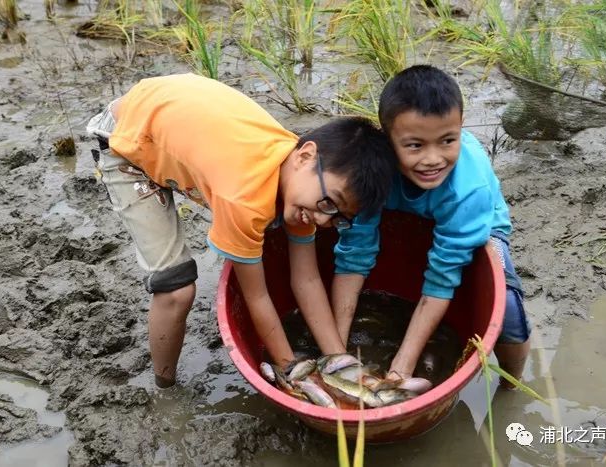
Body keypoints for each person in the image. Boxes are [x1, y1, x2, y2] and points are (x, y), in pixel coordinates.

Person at [86, 73, 394, 388]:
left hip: (172, 115)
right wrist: (291, 371)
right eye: (330, 204)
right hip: (126, 141)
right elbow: (256, 297)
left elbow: (308, 278)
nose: (323, 218)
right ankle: (164, 386)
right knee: (176, 288)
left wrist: (339, 361)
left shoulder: (300, 179)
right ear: (305, 156)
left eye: (339, 218)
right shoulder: (245, 198)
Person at [331, 65, 531, 391]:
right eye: (414, 145)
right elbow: (353, 255)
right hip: (407, 214)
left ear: (461, 127)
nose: (432, 159)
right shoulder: (375, 171)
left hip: (476, 223)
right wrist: (335, 354)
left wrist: (401, 368)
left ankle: (513, 385)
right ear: (387, 138)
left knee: (506, 306)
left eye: (447, 140)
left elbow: (442, 277)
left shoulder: (469, 188)